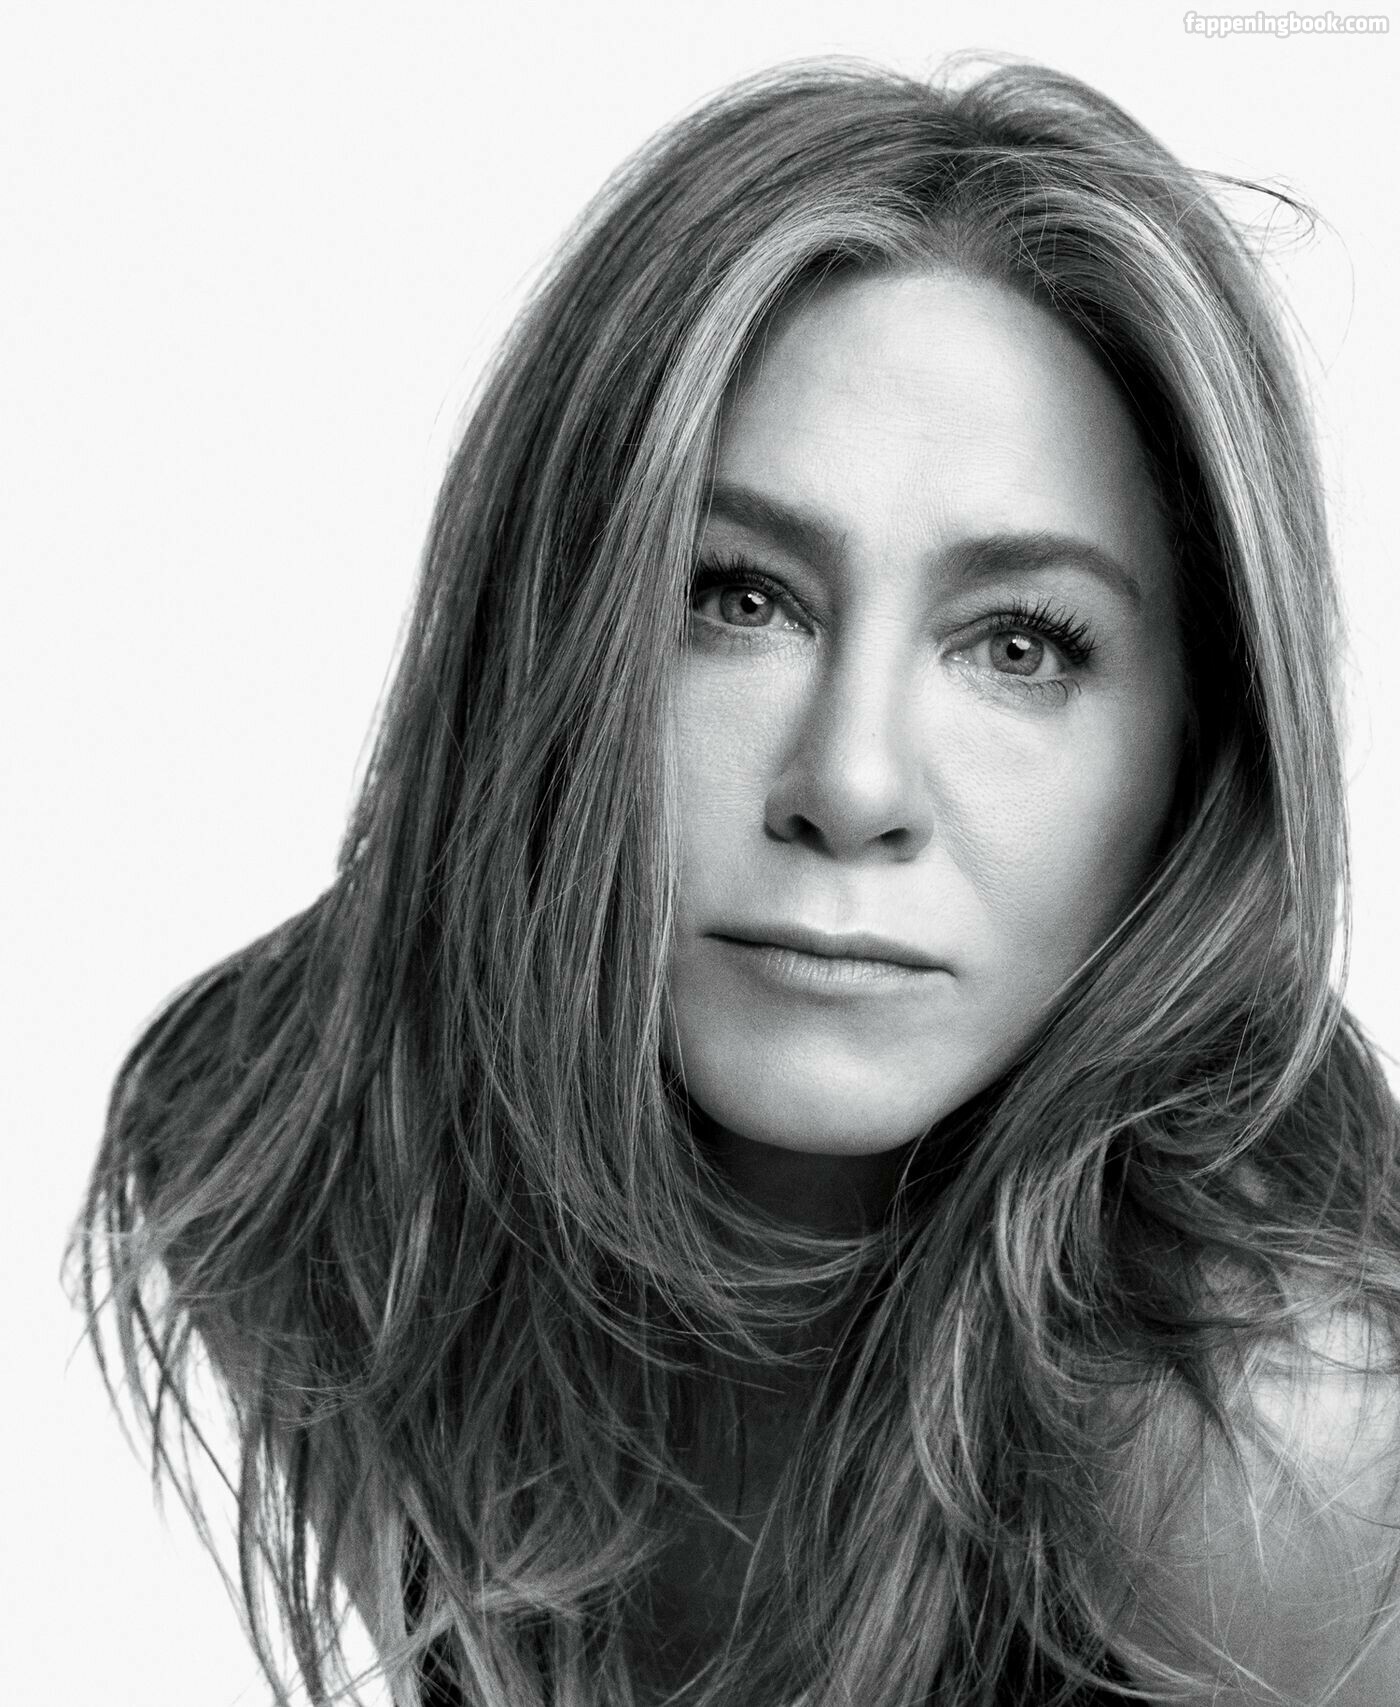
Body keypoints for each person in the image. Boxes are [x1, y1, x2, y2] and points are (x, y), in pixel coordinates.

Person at [68, 52, 1400, 1707]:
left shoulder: (1280, 1444)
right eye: (737, 597)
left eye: (1020, 645)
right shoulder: (291, 1164)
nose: (851, 787)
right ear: (551, 632)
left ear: (1194, 758)